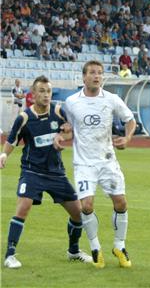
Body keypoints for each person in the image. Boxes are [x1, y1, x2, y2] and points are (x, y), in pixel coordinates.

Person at [1, 76, 92, 268]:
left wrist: (63, 134)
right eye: (41, 91)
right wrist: (3, 155)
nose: (46, 95)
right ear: (33, 95)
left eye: (48, 91)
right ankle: (10, 255)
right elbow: (12, 139)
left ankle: (73, 251)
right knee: (23, 207)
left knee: (78, 213)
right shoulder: (24, 118)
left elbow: (71, 130)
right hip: (32, 171)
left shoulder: (59, 112)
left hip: (56, 173)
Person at [55, 60, 136, 268]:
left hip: (108, 161)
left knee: (121, 203)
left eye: (100, 73)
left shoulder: (111, 99)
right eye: (92, 73)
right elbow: (68, 128)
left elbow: (130, 120)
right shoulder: (72, 102)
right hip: (84, 164)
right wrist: (62, 135)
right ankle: (95, 247)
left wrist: (126, 138)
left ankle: (119, 245)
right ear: (84, 77)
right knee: (86, 205)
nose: (97, 76)